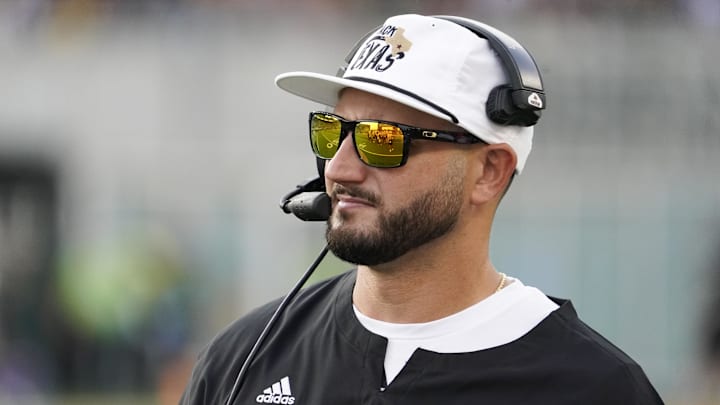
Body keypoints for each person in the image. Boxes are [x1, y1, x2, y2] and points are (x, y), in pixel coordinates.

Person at [180, 14, 664, 404]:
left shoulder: (594, 388)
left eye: (384, 140)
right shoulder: (244, 357)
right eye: (332, 132)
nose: (339, 168)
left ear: (489, 171)